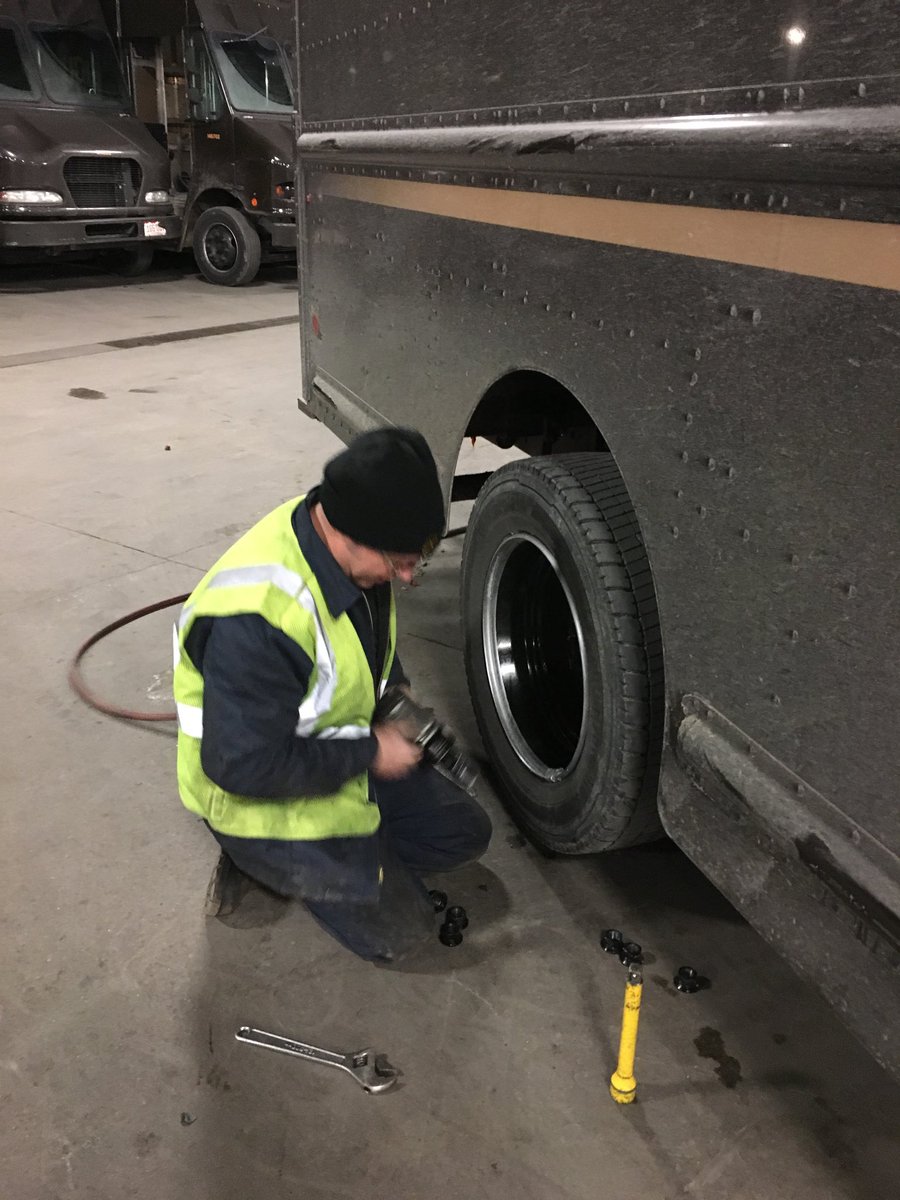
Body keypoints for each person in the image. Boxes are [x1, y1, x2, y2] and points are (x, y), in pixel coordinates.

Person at [173, 428, 492, 962]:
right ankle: (254, 855)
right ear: (350, 536)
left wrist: (394, 692)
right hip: (256, 794)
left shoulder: (347, 537)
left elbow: (365, 648)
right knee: (402, 934)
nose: (409, 578)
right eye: (399, 563)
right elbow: (242, 765)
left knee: (465, 834)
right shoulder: (256, 621)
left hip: (330, 755)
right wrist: (371, 752)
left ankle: (343, 856)